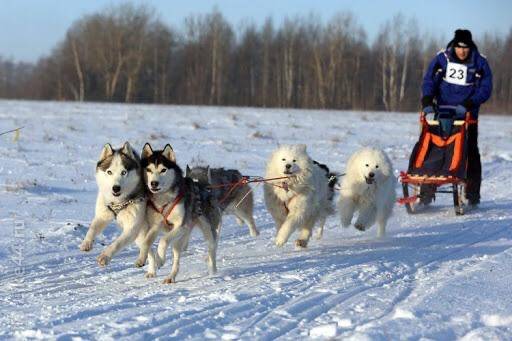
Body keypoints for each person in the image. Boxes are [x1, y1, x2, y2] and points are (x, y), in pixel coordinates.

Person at [420, 29, 493, 206]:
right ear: (454, 45)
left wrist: (469, 104)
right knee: (433, 148)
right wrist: (427, 101)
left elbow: (485, 89)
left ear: (470, 47)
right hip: (440, 113)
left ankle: (472, 194)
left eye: (465, 47)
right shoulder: (442, 59)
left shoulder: (480, 62)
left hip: (467, 115)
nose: (462, 51)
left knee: (470, 152)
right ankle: (426, 192)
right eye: (459, 47)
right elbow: (429, 80)